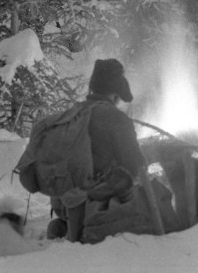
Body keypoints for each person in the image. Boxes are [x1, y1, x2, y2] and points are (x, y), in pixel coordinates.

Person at [48, 58, 147, 240]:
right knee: (149, 196)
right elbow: (136, 166)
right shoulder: (117, 119)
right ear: (116, 94)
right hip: (95, 204)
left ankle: (66, 224)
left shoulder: (71, 114)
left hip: (62, 204)